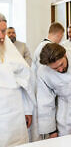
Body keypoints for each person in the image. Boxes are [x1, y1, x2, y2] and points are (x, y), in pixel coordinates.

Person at [0, 13, 37, 146]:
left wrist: (27, 110)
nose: (1, 36)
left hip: (15, 112)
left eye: (3, 31)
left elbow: (25, 81)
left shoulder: (10, 48)